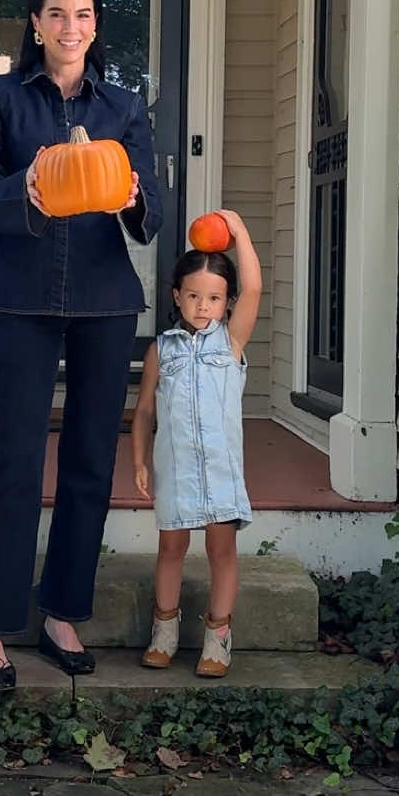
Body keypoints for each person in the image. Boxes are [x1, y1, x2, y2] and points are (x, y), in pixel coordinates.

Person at [0, 0, 162, 690]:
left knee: (87, 463)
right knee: (16, 460)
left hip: (107, 300)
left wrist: (136, 196)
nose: (69, 26)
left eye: (82, 14)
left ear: (94, 26)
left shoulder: (125, 108)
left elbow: (151, 213)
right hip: (22, 295)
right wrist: (29, 187)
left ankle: (62, 612)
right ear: (36, 24)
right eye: (55, 13)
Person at [130, 210, 263, 678]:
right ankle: (164, 633)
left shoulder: (231, 345)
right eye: (193, 296)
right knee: (170, 549)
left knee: (221, 552)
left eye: (213, 297)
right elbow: (145, 410)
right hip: (178, 469)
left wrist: (240, 233)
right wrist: (140, 461)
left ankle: (218, 638)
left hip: (222, 471)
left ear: (226, 303)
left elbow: (255, 289)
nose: (202, 305)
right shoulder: (161, 350)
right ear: (176, 297)